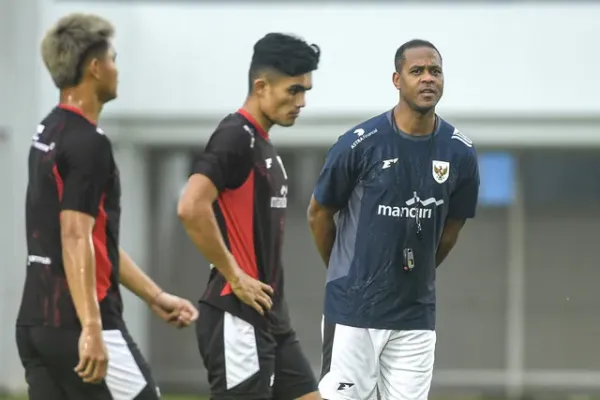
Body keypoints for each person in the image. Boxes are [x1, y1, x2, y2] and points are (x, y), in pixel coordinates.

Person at [16, 13, 199, 400]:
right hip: (78, 322)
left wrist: (154, 296)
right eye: (113, 59)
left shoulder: (47, 131)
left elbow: (94, 241)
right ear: (95, 68)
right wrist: (92, 327)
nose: (117, 69)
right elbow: (75, 236)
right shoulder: (89, 142)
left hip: (36, 323)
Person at [307, 39, 480, 400]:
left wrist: (416, 273)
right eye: (417, 71)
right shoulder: (359, 143)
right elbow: (318, 213)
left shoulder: (460, 151)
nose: (428, 78)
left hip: (415, 316)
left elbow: (452, 228)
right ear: (397, 80)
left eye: (435, 71)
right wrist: (344, 270)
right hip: (353, 311)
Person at [178, 33, 322, 400]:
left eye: (306, 90)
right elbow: (191, 206)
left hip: (271, 317)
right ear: (261, 86)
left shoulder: (262, 142)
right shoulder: (235, 135)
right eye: (293, 90)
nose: (302, 101)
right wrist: (235, 275)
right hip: (237, 315)